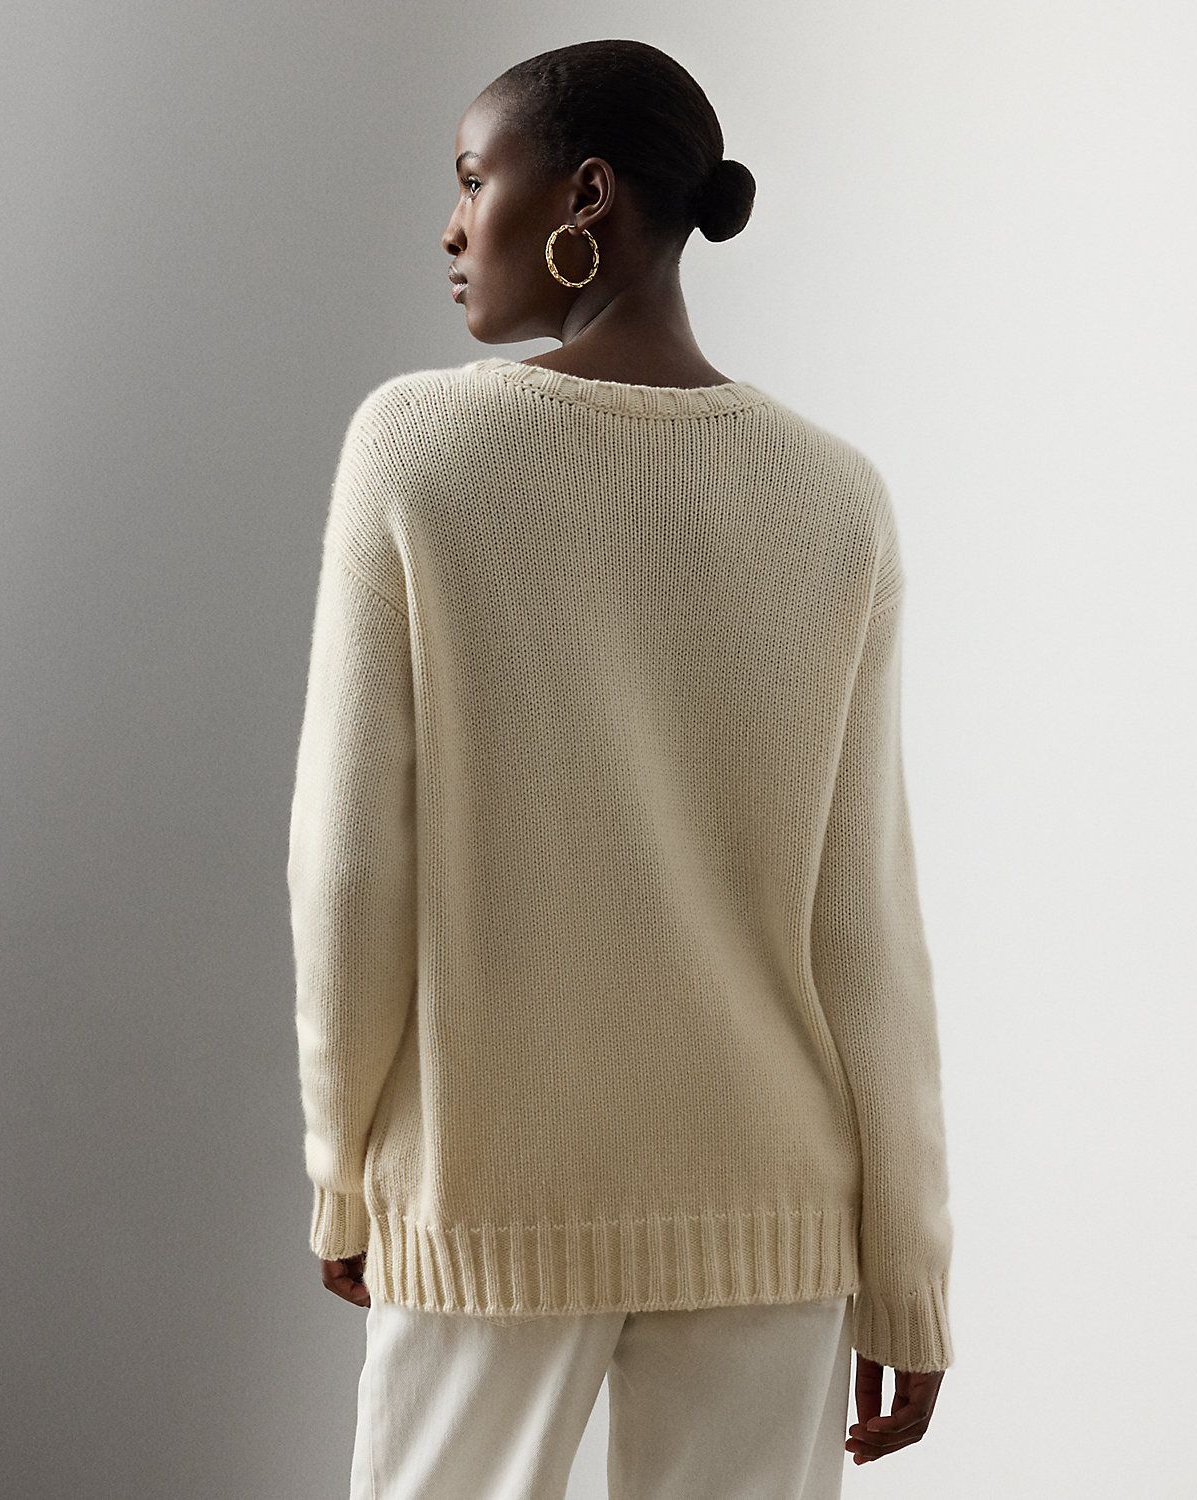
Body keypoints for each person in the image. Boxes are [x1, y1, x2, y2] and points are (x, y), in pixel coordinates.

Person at [287, 37, 955, 1500]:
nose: (451, 227)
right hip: (775, 1208)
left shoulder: (417, 448)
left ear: (585, 195)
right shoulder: (838, 497)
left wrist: (343, 1168)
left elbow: (350, 865)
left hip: (488, 1189)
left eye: (475, 181)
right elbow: (867, 932)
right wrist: (905, 1273)